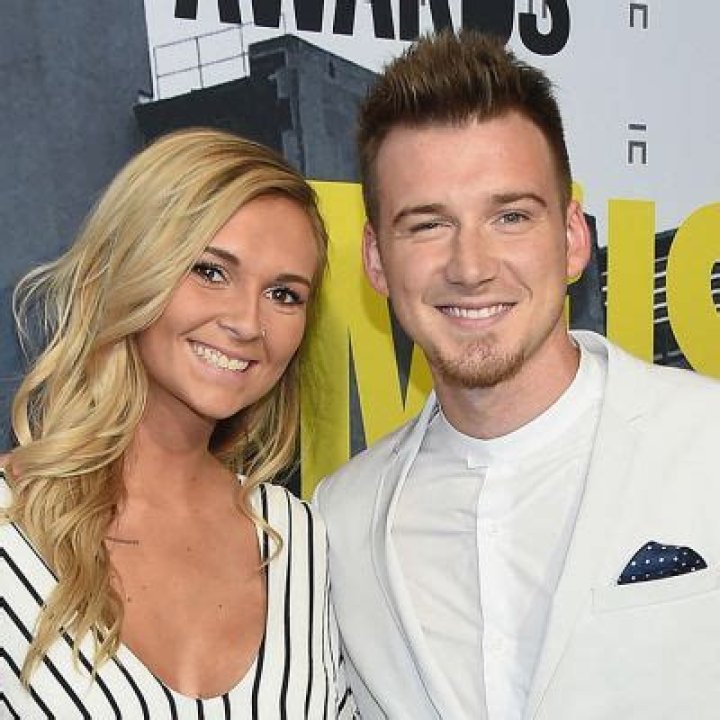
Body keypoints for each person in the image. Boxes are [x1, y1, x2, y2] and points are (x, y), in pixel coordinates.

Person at [314, 29, 720, 720]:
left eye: (509, 216)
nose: (470, 267)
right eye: (427, 225)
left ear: (572, 238)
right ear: (377, 261)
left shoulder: (706, 441)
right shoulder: (340, 521)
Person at [1, 128, 357, 719]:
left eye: (283, 294)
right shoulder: (11, 525)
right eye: (211, 271)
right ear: (132, 268)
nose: (247, 323)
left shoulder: (301, 539)